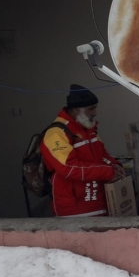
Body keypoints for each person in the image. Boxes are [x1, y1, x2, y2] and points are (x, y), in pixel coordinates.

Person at [40, 84, 125, 217]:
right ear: (75, 110)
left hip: (99, 203)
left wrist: (114, 165)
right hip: (73, 210)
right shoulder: (56, 133)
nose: (95, 113)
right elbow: (68, 168)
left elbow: (102, 155)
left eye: (95, 108)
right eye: (91, 109)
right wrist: (108, 172)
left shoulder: (89, 130)